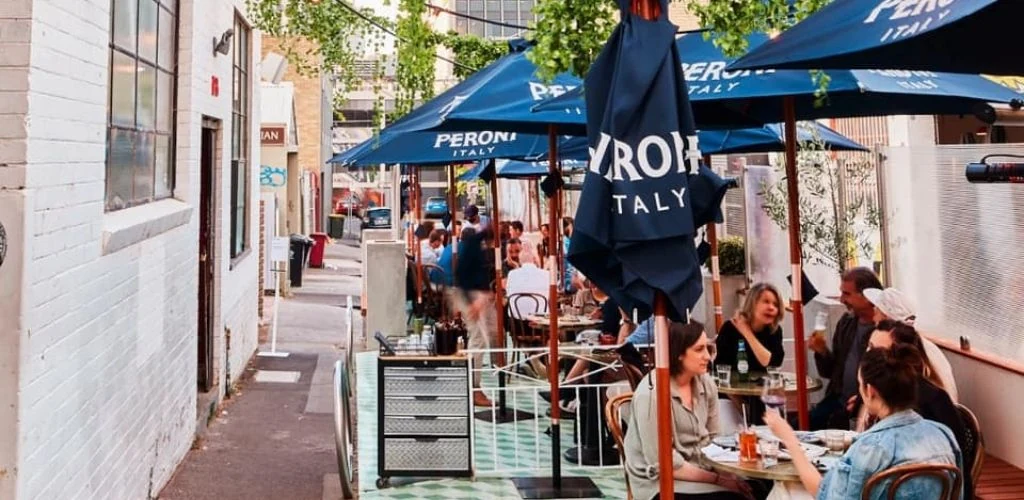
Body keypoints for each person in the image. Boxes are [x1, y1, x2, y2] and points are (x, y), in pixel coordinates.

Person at [764, 345, 962, 500]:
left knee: (785, 490)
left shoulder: (871, 449)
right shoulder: (943, 434)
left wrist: (790, 440)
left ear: (870, 391)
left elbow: (826, 496)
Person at [623, 320, 759, 500]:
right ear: (679, 353)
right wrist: (719, 480)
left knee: (760, 488)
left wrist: (731, 476)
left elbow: (714, 440)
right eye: (699, 349)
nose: (708, 357)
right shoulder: (652, 395)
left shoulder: (705, 383)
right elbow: (663, 464)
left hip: (702, 469)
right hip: (660, 482)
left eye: (708, 349)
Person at [863, 320, 972, 498]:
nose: (867, 356)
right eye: (869, 347)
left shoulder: (922, 405)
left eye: (876, 351)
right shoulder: (887, 394)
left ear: (899, 357)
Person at [808, 267, 882, 430]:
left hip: (865, 406)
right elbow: (830, 372)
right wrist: (822, 351)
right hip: (837, 399)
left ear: (867, 297)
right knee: (801, 425)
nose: (841, 300)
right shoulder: (847, 323)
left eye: (846, 294)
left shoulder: (883, 332)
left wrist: (863, 401)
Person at [862, 287, 958, 401]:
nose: (873, 318)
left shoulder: (888, 355)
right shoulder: (932, 349)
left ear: (886, 320)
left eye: (876, 311)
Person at [449, 226, 495, 407]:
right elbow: (461, 275)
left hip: (472, 295)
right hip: (470, 296)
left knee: (481, 339)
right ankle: (473, 388)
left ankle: (472, 384)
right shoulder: (472, 248)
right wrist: (472, 302)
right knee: (478, 340)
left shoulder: (473, 245)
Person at [713, 283, 786, 373]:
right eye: (766, 301)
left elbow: (772, 364)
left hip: (764, 385)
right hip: (732, 384)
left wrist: (746, 331)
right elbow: (722, 366)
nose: (771, 307)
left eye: (775, 304)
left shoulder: (774, 330)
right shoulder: (730, 328)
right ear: (752, 303)